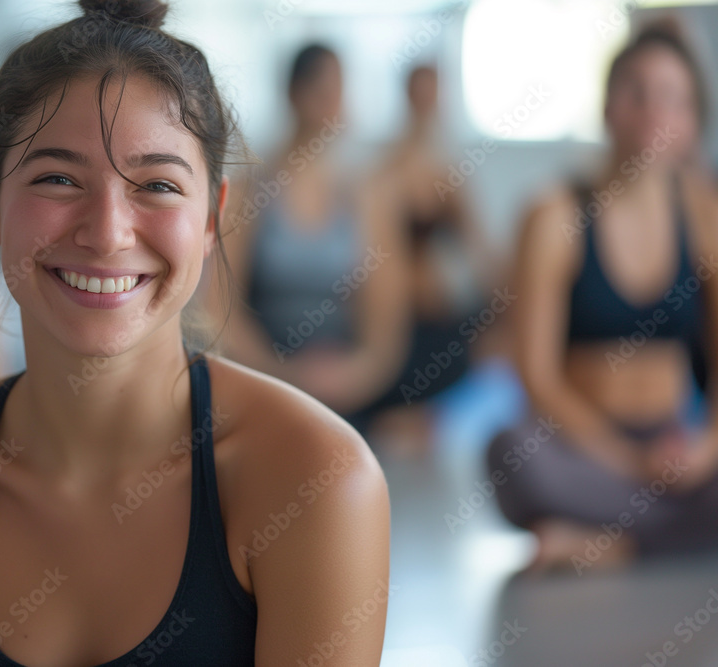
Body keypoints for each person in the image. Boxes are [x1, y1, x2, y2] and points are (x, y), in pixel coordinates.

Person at [0, 1, 391, 665]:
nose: (105, 232)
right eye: (58, 178)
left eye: (156, 184)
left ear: (211, 218)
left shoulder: (313, 480)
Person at [486, 19, 718, 570]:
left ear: (691, 121)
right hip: (584, 449)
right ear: (609, 107)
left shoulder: (705, 213)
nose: (653, 112)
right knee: (511, 454)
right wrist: (633, 463)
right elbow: (535, 377)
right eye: (636, 93)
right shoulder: (553, 215)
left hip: (674, 447)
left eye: (671, 98)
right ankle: (671, 535)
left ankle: (614, 543)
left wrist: (704, 451)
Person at [216, 42, 410, 438]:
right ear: (293, 94)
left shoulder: (366, 196)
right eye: (323, 90)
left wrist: (354, 376)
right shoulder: (250, 192)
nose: (335, 104)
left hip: (343, 380)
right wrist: (281, 375)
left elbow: (386, 324)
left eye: (340, 91)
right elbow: (220, 309)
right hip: (267, 374)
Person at [348, 64, 497, 450]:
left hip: (438, 309)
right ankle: (391, 412)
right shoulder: (385, 168)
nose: (428, 101)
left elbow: (479, 248)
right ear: (408, 95)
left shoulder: (447, 174)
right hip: (394, 309)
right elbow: (366, 250)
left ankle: (414, 411)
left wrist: (501, 296)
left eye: (434, 92)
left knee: (484, 335)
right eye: (421, 91)